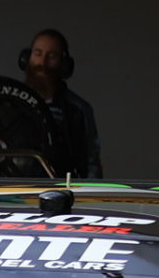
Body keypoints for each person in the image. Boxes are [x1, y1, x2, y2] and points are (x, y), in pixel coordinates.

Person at [20, 28, 102, 179]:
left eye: (51, 56)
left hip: (59, 188)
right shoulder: (8, 103)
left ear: (64, 64)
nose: (42, 62)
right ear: (26, 58)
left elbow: (91, 164)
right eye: (38, 54)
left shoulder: (78, 110)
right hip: (12, 189)